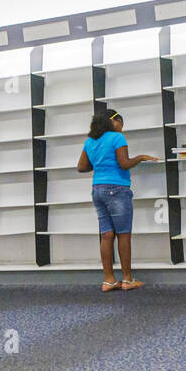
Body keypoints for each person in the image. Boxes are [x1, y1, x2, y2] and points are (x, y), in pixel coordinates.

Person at [77, 109, 159, 291]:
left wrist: (99, 163)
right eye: (121, 124)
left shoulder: (90, 141)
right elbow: (124, 163)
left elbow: (81, 167)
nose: (122, 128)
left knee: (106, 235)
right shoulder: (117, 138)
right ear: (115, 122)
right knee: (123, 234)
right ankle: (127, 279)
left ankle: (108, 280)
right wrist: (141, 157)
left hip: (97, 189)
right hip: (117, 189)